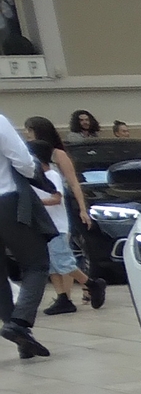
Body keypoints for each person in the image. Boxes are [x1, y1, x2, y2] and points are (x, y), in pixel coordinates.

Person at [0, 110, 54, 358]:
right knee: (37, 263)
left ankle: (22, 337)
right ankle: (20, 323)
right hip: (7, 201)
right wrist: (37, 175)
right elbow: (21, 160)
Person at [22, 117, 88, 313]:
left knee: (62, 257)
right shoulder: (35, 165)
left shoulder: (56, 157)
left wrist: (83, 209)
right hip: (45, 214)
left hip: (58, 210)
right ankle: (63, 296)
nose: (27, 135)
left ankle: (76, 290)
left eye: (30, 131)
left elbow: (73, 183)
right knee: (54, 259)